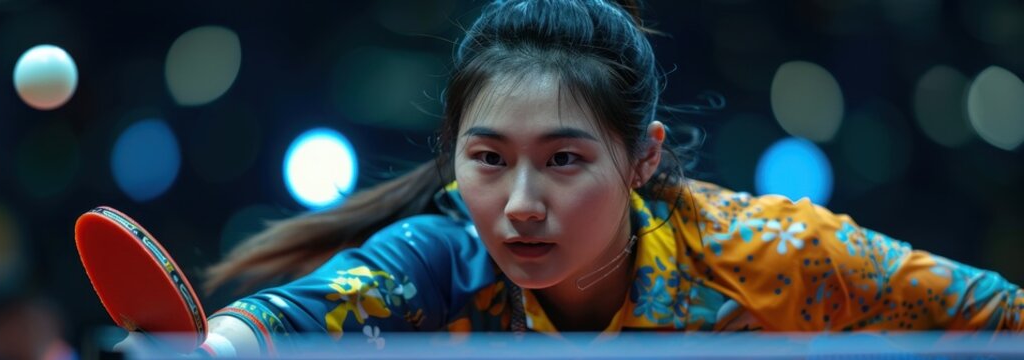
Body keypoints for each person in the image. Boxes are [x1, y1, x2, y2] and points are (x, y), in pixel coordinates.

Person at [122, 0, 1024, 357]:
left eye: (562, 160)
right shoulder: (446, 258)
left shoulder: (772, 257)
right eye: (486, 160)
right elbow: (324, 303)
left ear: (643, 156)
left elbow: (999, 317)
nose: (517, 206)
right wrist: (216, 348)